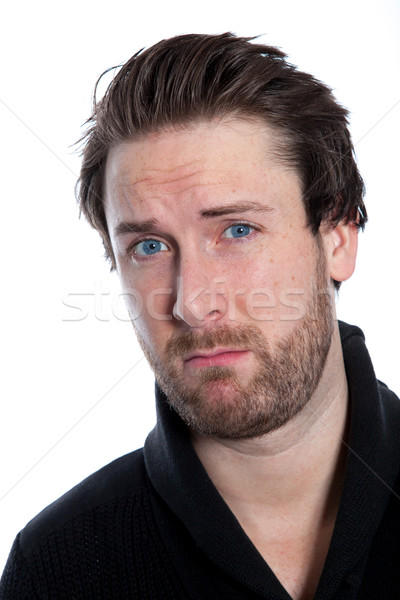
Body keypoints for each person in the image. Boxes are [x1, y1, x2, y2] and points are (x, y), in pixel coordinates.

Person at [1, 32, 399, 600]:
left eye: (237, 231)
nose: (191, 302)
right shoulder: (57, 569)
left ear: (338, 237)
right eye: (149, 247)